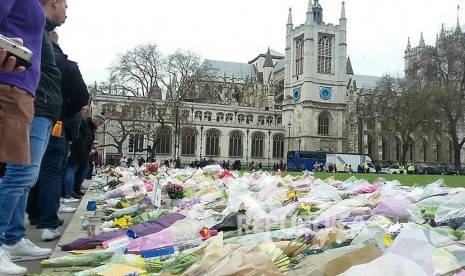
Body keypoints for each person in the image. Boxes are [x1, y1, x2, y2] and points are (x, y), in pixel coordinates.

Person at [0, 0, 67, 274]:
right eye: (65, 5)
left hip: (25, 91)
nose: (66, 11)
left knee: (23, 177)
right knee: (19, 176)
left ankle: (12, 239)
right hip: (14, 88)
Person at [27, 27, 89, 242]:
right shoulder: (64, 65)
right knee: (52, 173)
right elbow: (82, 96)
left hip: (28, 115)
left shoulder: (29, 55)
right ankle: (47, 223)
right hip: (55, 123)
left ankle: (32, 216)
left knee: (30, 173)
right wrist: (65, 112)